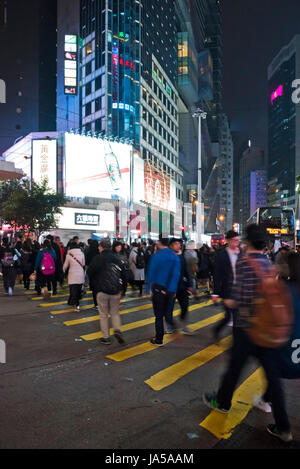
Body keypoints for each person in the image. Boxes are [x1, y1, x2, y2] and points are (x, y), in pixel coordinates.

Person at [202, 224, 293, 442]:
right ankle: (284, 428)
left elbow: (238, 297)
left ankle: (223, 402)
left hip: (246, 327)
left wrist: (228, 300)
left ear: (248, 241)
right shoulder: (269, 263)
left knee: (234, 368)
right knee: (273, 377)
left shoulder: (244, 262)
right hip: (268, 328)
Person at [87, 239, 127, 345]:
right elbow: (124, 275)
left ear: (101, 247)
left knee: (103, 314)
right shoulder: (117, 259)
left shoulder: (98, 258)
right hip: (115, 290)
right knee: (114, 313)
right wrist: (124, 290)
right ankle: (117, 329)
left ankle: (106, 337)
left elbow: (89, 272)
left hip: (101, 290)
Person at [146, 238, 181, 346]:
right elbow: (176, 275)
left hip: (158, 289)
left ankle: (159, 339)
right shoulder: (175, 257)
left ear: (159, 243)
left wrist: (147, 289)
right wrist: (173, 290)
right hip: (170, 291)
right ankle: (174, 327)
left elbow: (151, 274)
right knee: (167, 312)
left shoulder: (156, 256)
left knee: (159, 316)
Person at [211, 230, 240, 339]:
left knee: (238, 317)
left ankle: (236, 340)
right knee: (228, 316)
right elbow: (217, 275)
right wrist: (215, 293)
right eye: (233, 240)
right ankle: (216, 330)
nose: (236, 243)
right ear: (227, 241)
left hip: (239, 289)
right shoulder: (222, 256)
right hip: (227, 290)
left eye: (237, 240)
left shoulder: (241, 253)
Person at [165, 238, 193, 334]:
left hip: (181, 287)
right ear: (171, 246)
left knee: (185, 306)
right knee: (169, 309)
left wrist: (189, 284)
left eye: (179, 244)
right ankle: (170, 326)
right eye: (176, 244)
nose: (179, 246)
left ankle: (183, 325)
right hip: (170, 288)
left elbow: (186, 271)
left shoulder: (181, 257)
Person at [63, 241, 85, 311]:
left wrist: (63, 272)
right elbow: (83, 264)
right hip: (81, 274)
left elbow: (65, 266)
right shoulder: (82, 253)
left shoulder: (68, 255)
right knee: (78, 290)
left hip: (72, 275)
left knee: (73, 290)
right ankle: (77, 304)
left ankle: (75, 304)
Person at [85, 239, 100, 310]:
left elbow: (87, 261)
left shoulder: (89, 251)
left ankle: (96, 304)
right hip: (100, 273)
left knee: (94, 289)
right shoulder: (99, 252)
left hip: (92, 272)